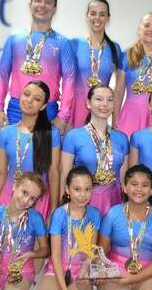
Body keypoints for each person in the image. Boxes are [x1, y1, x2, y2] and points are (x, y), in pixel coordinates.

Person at [0, 0, 75, 134]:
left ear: (55, 9)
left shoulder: (63, 43)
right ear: (30, 5)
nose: (42, 5)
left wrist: (63, 115)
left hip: (47, 109)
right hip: (16, 109)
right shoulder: (14, 39)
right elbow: (2, 75)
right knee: (15, 155)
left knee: (42, 157)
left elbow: (70, 80)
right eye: (38, 0)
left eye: (48, 2)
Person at [0, 81, 60, 221]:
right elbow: (0, 172)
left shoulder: (51, 133)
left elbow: (53, 173)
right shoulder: (6, 132)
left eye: (37, 99)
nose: (29, 100)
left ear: (44, 106)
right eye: (26, 94)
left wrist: (53, 209)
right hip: (9, 197)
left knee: (33, 242)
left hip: (38, 201)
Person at [98, 164, 152, 290]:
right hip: (116, 271)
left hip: (150, 273)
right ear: (124, 187)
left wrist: (134, 278)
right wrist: (100, 269)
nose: (139, 189)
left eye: (145, 185)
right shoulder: (112, 214)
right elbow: (101, 252)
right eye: (134, 184)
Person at [0, 172, 49, 290]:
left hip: (22, 271)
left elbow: (45, 250)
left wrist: (31, 254)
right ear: (14, 186)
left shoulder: (36, 218)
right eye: (24, 192)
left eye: (32, 198)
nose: (26, 200)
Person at [61, 85, 129, 216]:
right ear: (88, 103)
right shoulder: (73, 136)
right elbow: (65, 175)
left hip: (115, 204)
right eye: (99, 99)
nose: (105, 104)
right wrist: (63, 205)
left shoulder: (122, 138)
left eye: (109, 100)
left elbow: (123, 178)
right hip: (83, 201)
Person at [37, 166, 101, 290]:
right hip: (56, 270)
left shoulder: (94, 214)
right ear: (67, 189)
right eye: (77, 189)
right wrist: (64, 288)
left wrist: (86, 268)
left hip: (81, 272)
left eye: (87, 189)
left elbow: (91, 251)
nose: (83, 195)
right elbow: (55, 255)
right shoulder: (59, 215)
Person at [70, 0, 122, 127]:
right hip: (74, 110)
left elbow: (120, 87)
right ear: (87, 16)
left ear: (108, 18)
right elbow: (66, 80)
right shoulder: (74, 44)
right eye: (93, 13)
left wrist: (115, 118)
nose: (97, 18)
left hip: (100, 110)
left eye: (102, 14)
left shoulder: (114, 48)